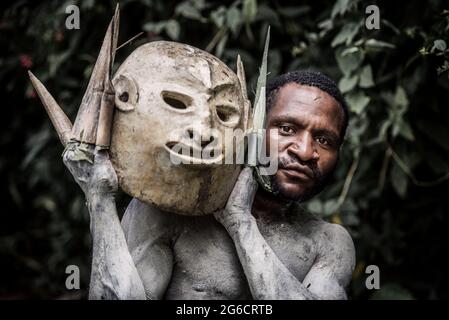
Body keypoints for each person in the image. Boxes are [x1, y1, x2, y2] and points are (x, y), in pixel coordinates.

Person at [61, 69, 355, 300]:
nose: (304, 151)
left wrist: (241, 223)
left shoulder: (329, 243)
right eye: (287, 128)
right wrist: (98, 200)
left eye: (324, 140)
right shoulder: (169, 212)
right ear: (251, 128)